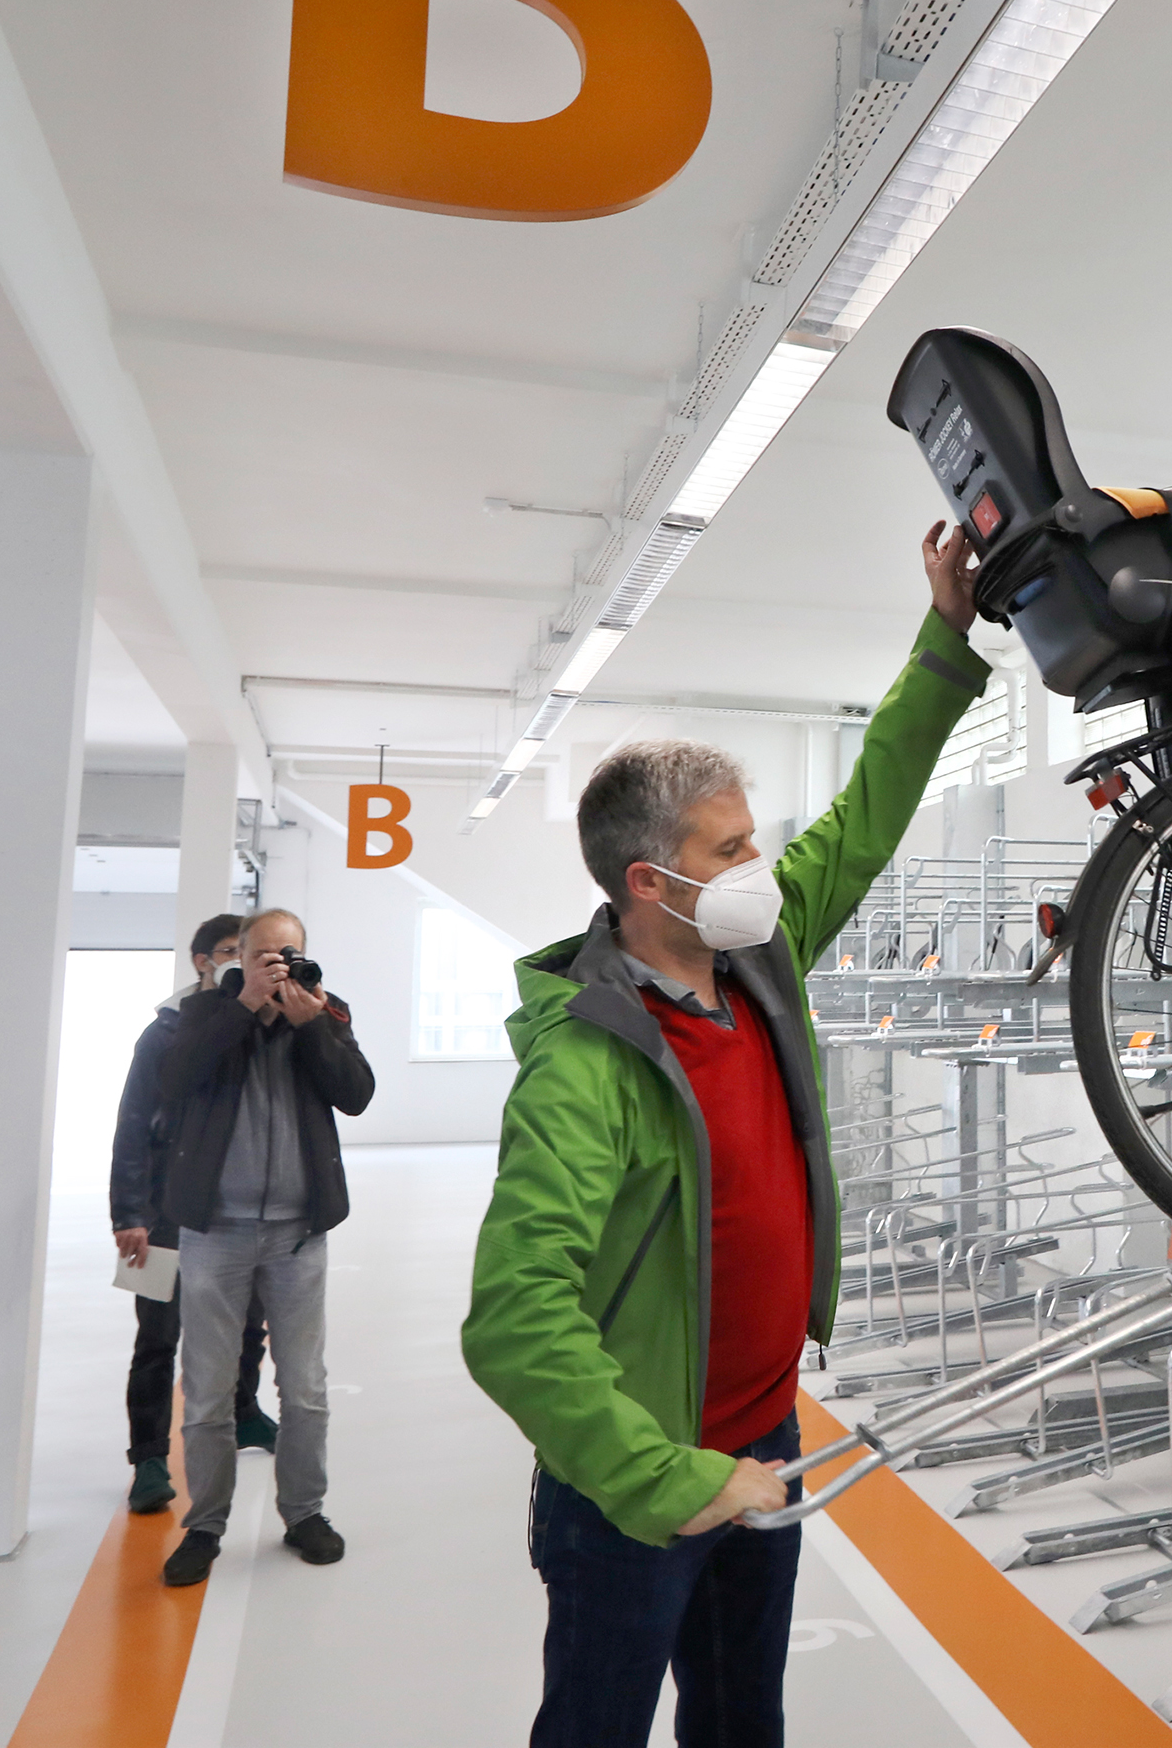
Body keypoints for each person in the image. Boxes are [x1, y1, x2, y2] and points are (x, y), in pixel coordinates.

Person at [464, 521, 984, 1748]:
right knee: (595, 1726)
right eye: (732, 847)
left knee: (744, 1719)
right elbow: (514, 1319)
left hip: (765, 1436)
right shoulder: (583, 1066)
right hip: (641, 1478)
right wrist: (670, 1478)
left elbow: (866, 816)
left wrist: (946, 635)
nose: (762, 863)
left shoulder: (758, 956)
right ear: (650, 883)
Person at [150, 908, 374, 1586]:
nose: (279, 967)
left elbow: (356, 1095)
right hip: (214, 1231)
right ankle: (205, 1526)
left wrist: (313, 1027)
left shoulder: (325, 1010)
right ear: (239, 958)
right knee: (208, 1392)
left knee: (305, 1389)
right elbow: (175, 1081)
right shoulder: (201, 1012)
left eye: (289, 955)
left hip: (296, 1233)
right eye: (264, 956)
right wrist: (244, 1006)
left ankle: (304, 1512)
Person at [109, 913, 274, 1514]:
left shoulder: (261, 1022)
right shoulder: (164, 1033)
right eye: (230, 951)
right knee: (158, 1337)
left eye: (247, 951)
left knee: (249, 1325)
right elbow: (132, 1125)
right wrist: (128, 1213)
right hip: (164, 1212)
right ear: (202, 961)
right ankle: (149, 1459)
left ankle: (245, 1411)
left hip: (238, 1212)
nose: (239, 961)